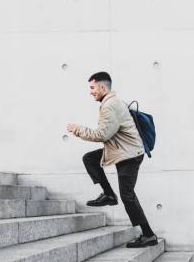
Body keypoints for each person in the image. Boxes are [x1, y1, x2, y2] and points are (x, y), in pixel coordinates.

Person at [67, 71, 157, 248]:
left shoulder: (109, 106)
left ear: (102, 87)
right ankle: (108, 194)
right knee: (90, 159)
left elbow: (102, 134)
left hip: (129, 155)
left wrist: (77, 129)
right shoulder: (112, 102)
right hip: (121, 151)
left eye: (92, 88)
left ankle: (148, 235)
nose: (91, 92)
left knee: (128, 195)